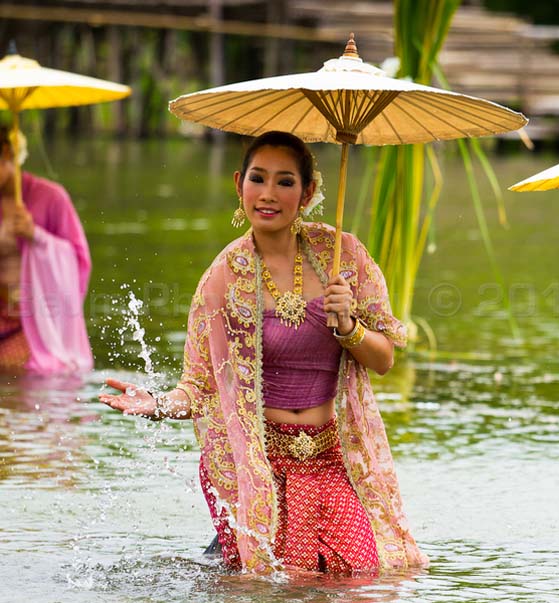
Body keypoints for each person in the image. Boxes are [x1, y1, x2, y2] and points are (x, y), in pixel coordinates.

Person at [99, 131, 426, 574]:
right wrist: (157, 405)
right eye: (258, 179)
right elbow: (198, 387)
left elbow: (384, 359)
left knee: (361, 578)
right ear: (239, 184)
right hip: (258, 463)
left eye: (285, 182)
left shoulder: (343, 257)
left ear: (308, 192)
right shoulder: (223, 277)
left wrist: (348, 326)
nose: (268, 194)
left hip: (332, 456)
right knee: (282, 584)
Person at [0, 126, 93, 374]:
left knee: (25, 376)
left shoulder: (51, 198)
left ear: (7, 154)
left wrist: (36, 237)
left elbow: (79, 263)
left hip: (37, 322)